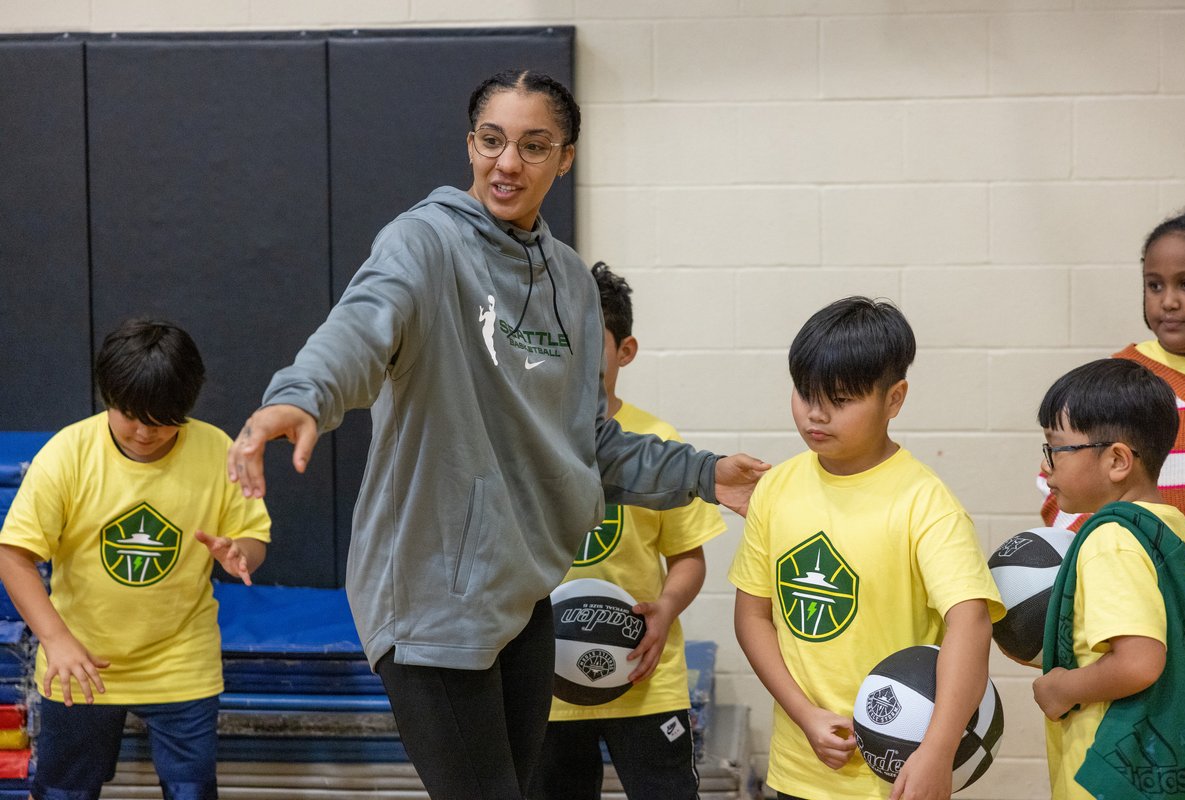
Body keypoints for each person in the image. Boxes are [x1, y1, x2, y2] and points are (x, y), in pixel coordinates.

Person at [224, 69, 768, 800]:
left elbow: (589, 442)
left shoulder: (572, 284)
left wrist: (705, 474)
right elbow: (359, 328)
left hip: (521, 594)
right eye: (492, 140)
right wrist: (299, 397)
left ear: (565, 158)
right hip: (428, 597)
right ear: (471, 144)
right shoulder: (424, 243)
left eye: (534, 146)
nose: (508, 162)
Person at [728, 296, 1003, 800]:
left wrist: (938, 752)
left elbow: (972, 623)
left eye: (841, 399)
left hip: (897, 776)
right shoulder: (775, 487)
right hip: (799, 768)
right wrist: (804, 715)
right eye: (805, 393)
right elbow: (753, 616)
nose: (816, 414)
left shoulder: (926, 503)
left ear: (893, 399)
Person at [0, 318, 271, 800]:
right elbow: (13, 555)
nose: (144, 432)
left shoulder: (217, 451)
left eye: (162, 420)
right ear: (107, 395)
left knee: (192, 790)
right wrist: (56, 639)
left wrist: (240, 554)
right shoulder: (68, 453)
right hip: (78, 663)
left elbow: (251, 536)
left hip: (180, 659)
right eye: (130, 415)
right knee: (63, 791)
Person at [529, 262, 726, 800]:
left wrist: (665, 610)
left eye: (591, 342)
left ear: (625, 351)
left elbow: (688, 557)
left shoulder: (657, 440)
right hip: (548, 681)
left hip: (645, 677)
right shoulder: (527, 437)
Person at [1031, 357, 1185, 799]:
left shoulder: (1111, 539)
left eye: (1055, 448)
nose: (1045, 466)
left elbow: (1138, 661)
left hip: (1113, 781)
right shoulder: (1171, 529)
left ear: (1118, 460)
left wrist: (1061, 688)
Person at [1041, 206, 1185, 545]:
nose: (1168, 301)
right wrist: (1093, 543)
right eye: (1155, 285)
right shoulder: (1118, 382)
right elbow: (1060, 480)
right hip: (1134, 572)